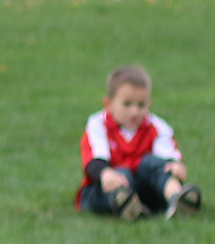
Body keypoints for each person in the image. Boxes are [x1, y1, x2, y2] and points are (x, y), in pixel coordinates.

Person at [77, 65, 200, 218]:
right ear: (108, 104)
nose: (135, 112)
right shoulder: (97, 124)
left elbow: (167, 156)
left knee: (152, 164)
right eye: (127, 104)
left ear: (149, 104)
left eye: (141, 105)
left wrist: (175, 165)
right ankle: (126, 205)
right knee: (121, 175)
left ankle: (177, 198)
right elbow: (95, 161)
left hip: (144, 188)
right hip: (106, 187)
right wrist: (105, 173)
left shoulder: (157, 127)